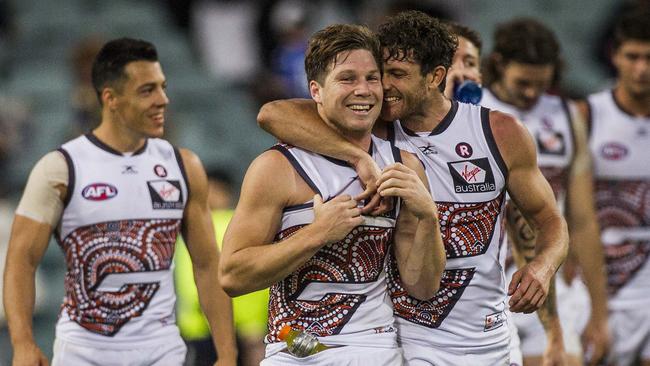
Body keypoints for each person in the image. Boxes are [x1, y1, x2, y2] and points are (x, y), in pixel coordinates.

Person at [257, 10, 569, 365]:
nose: (382, 87)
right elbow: (273, 114)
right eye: (381, 73)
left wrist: (543, 267)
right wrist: (357, 157)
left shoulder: (498, 133)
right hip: (405, 339)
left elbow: (550, 220)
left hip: (487, 336)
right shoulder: (369, 125)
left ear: (436, 76)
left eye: (397, 75)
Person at [220, 23, 446, 365]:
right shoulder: (278, 167)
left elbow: (422, 287)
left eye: (372, 78)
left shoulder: (404, 166)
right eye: (347, 78)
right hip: (297, 350)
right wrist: (318, 233)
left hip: (376, 349)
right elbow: (232, 276)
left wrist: (428, 217)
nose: (364, 90)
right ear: (316, 90)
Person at [2, 37, 237, 366]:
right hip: (82, 353)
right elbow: (21, 261)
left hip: (163, 351)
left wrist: (227, 353)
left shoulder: (185, 166)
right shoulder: (59, 168)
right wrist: (23, 342)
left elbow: (207, 265)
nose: (163, 100)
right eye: (147, 90)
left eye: (162, 87)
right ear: (110, 98)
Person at [481, 18, 611, 366]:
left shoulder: (568, 116)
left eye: (541, 84)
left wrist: (599, 312)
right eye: (522, 82)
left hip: (547, 272)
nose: (531, 94)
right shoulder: (470, 108)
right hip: (484, 274)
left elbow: (582, 219)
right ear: (498, 65)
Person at [579, 9, 650, 366]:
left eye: (649, 58)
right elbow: (577, 217)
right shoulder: (586, 117)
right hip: (605, 281)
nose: (641, 68)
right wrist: (595, 309)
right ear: (614, 56)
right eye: (632, 57)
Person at [175, 168, 268, 366]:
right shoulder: (243, 223)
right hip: (212, 322)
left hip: (213, 321)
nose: (209, 198)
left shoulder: (222, 223)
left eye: (214, 191)